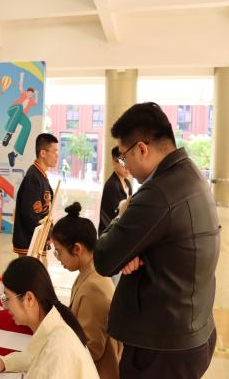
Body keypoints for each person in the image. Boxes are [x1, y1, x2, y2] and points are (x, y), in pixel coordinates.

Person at [94, 102, 219, 379]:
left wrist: (122, 213)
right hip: (193, 329)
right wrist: (131, 253)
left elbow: (103, 258)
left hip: (163, 349)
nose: (125, 166)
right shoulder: (192, 175)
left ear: (141, 149)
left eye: (124, 157)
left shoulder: (157, 193)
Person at [0, 257, 99, 379]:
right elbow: (32, 356)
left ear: (29, 299)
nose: (5, 306)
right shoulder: (55, 324)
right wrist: (3, 362)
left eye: (7, 298)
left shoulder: (57, 348)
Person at [51, 202, 121, 379]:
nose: (58, 258)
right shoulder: (88, 272)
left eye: (59, 252)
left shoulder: (93, 287)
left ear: (77, 249)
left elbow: (92, 349)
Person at [12, 133, 58, 257]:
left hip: (37, 240)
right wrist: (46, 234)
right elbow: (30, 215)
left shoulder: (40, 175)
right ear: (43, 153)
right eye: (54, 151)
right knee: (28, 270)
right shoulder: (33, 177)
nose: (57, 155)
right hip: (29, 241)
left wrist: (49, 231)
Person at [2, 72, 39, 167]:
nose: (29, 94)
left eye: (31, 94)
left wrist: (36, 94)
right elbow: (20, 86)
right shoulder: (23, 95)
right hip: (13, 109)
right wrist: (21, 77)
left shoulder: (31, 101)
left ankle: (14, 153)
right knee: (19, 107)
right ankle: (9, 134)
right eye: (29, 93)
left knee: (28, 125)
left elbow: (36, 102)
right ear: (27, 92)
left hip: (20, 115)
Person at [98, 147, 132, 235]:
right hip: (111, 234)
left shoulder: (128, 183)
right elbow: (110, 217)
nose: (127, 167)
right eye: (123, 162)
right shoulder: (112, 185)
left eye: (128, 162)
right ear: (114, 162)